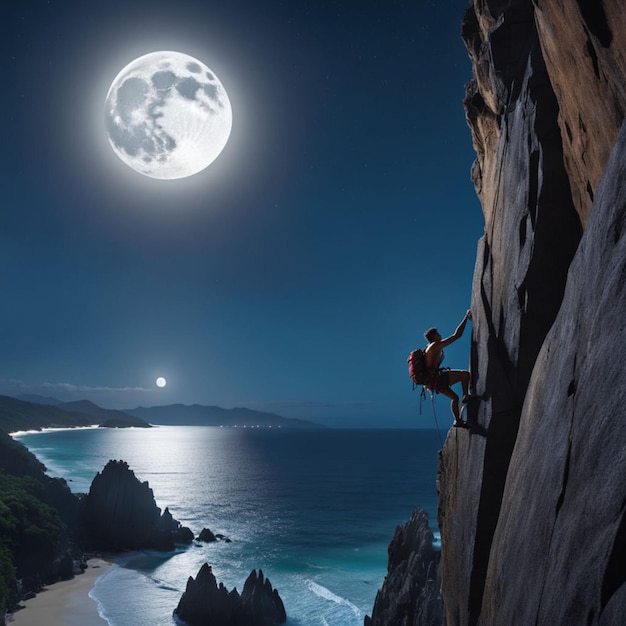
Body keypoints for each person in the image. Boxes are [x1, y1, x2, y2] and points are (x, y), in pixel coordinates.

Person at [423, 310, 472, 428]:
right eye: (438, 333)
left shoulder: (428, 348)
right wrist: (466, 317)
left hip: (432, 382)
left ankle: (457, 421)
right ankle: (466, 397)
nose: (440, 335)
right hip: (437, 379)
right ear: (435, 336)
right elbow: (457, 335)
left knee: (455, 398)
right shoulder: (435, 345)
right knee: (464, 375)